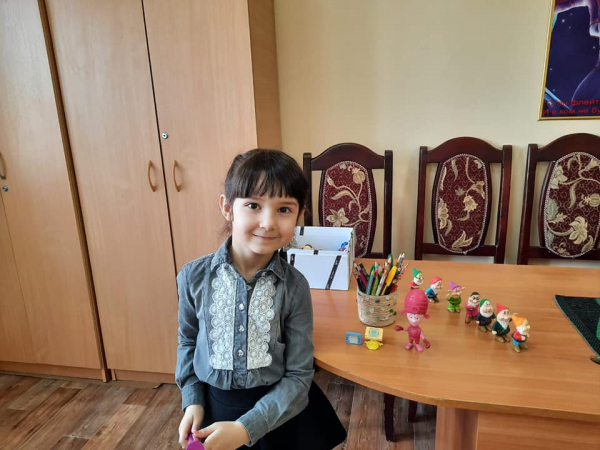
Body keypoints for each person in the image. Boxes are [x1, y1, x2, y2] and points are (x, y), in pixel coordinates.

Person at [175, 149, 347, 450]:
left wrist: (246, 429)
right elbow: (188, 342)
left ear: (299, 215)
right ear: (227, 207)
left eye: (284, 209)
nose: (268, 223)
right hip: (214, 413)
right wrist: (192, 400)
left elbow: (299, 375)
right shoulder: (193, 277)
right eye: (253, 205)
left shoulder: (295, 287)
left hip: (279, 416)